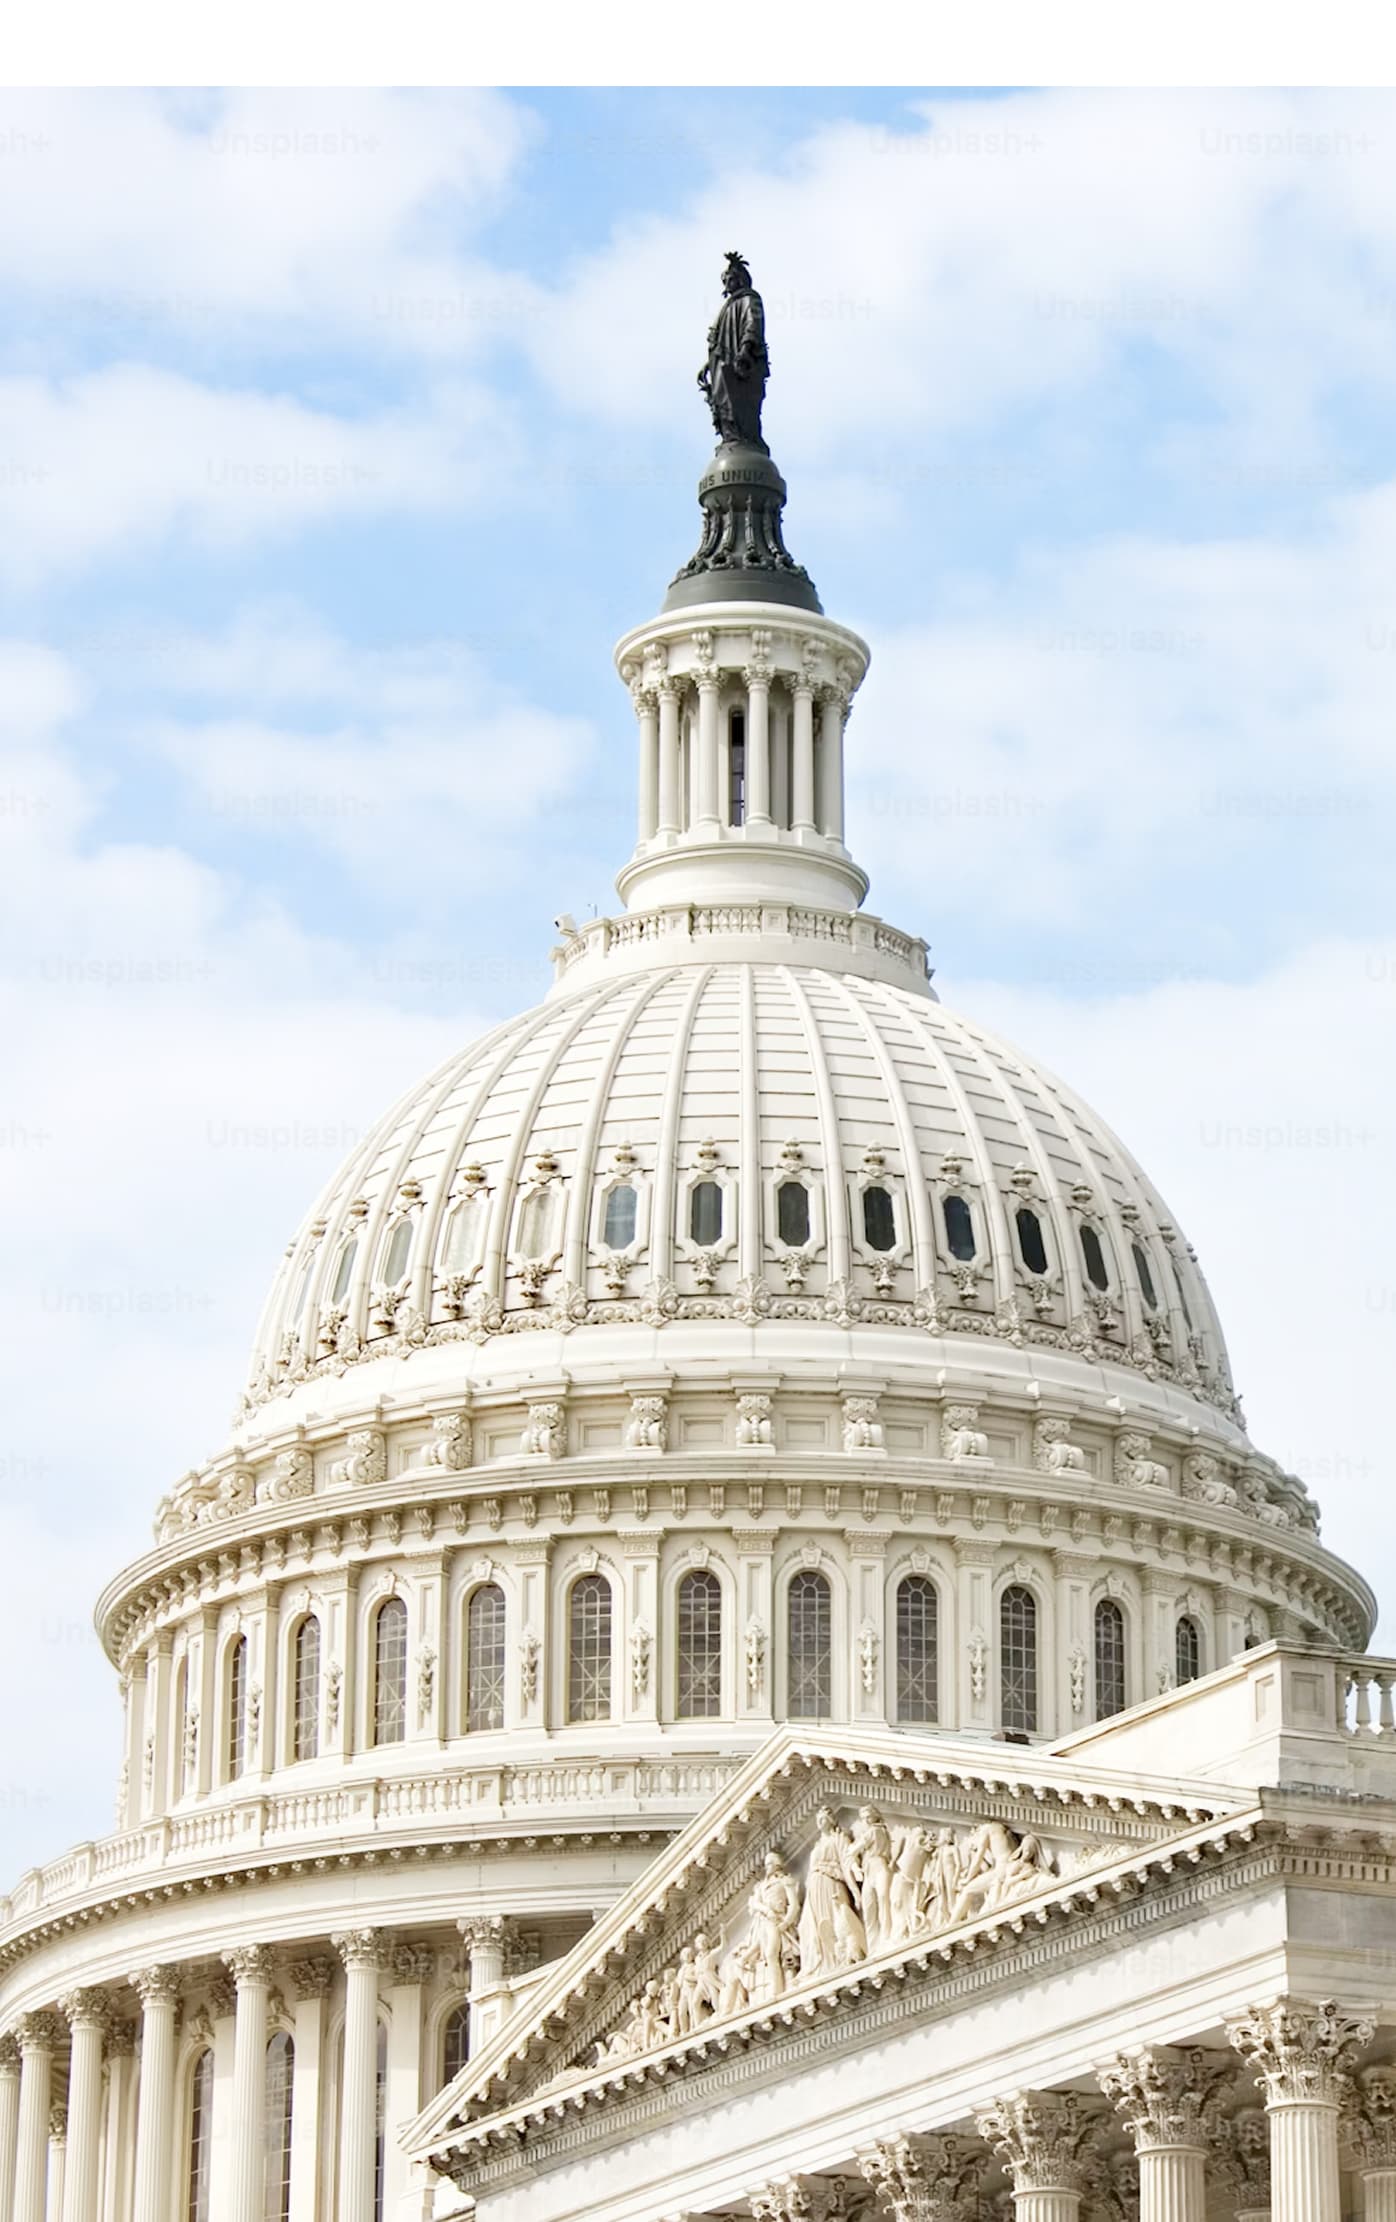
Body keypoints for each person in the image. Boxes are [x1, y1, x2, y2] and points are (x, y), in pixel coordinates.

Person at [698, 251, 770, 449]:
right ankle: (731, 438)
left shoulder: (750, 299)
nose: (726, 285)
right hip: (722, 363)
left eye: (730, 280)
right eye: (725, 281)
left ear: (740, 280)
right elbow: (720, 339)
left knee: (741, 405)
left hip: (740, 363)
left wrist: (745, 350)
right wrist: (709, 364)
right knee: (723, 403)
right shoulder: (728, 306)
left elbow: (752, 325)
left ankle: (746, 440)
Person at [798, 1808, 867, 1976]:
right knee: (811, 1925)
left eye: (824, 1819)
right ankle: (824, 1961)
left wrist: (855, 1891)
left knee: (836, 1918)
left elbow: (847, 1861)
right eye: (819, 1820)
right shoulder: (817, 1845)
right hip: (815, 1888)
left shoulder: (839, 1838)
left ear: (831, 1821)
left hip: (831, 1883)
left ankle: (843, 1956)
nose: (821, 1822)